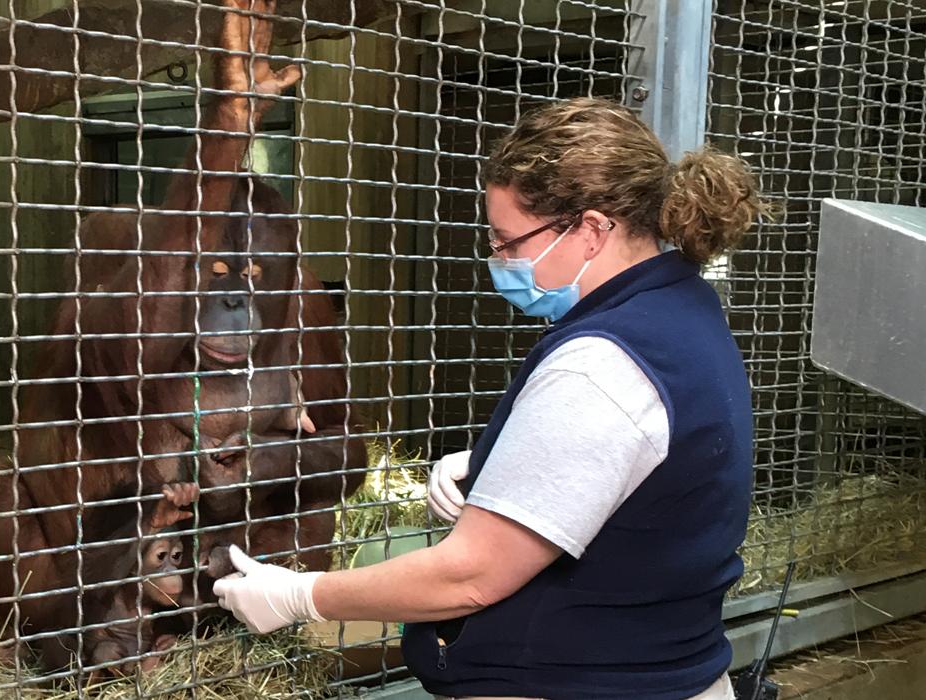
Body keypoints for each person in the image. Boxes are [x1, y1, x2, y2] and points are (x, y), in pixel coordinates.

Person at [211, 97, 773, 700]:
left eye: (508, 240)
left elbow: (472, 576)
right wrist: (499, 473)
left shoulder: (602, 365)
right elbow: (644, 463)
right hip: (664, 671)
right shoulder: (682, 313)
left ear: (589, 230)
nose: (498, 260)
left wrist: (298, 596)